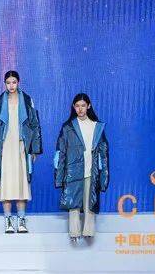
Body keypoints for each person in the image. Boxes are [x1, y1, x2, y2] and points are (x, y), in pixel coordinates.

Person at [0, 71, 43, 233]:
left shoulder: (27, 100)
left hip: (21, 146)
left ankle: (21, 220)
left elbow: (35, 125)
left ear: (18, 82)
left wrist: (34, 149)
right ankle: (8, 220)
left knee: (21, 183)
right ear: (4, 83)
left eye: (14, 82)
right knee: (5, 183)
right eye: (8, 82)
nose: (11, 85)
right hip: (4, 147)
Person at [53, 93, 109, 243]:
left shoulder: (97, 126)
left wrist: (103, 175)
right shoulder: (68, 127)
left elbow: (103, 153)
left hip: (91, 170)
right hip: (73, 170)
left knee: (90, 202)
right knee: (73, 203)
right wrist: (59, 175)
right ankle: (74, 233)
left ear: (88, 106)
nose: (80, 109)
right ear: (73, 107)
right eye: (77, 106)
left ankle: (89, 232)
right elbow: (60, 152)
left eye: (83, 105)